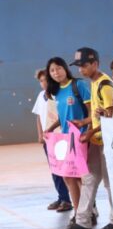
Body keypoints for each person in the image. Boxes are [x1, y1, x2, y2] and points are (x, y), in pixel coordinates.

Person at [68, 47, 113, 229]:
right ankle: (82, 220)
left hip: (107, 142)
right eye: (79, 66)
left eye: (84, 65)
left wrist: (91, 132)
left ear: (95, 64)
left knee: (109, 182)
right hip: (98, 141)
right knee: (89, 178)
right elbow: (100, 115)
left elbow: (112, 117)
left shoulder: (105, 85)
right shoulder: (94, 82)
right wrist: (86, 123)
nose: (81, 70)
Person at [44, 57, 90, 226]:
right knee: (69, 177)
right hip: (65, 138)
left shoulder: (78, 85)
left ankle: (83, 213)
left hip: (80, 137)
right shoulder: (56, 92)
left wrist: (88, 129)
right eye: (52, 70)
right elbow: (63, 116)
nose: (56, 73)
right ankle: (81, 212)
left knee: (77, 177)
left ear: (65, 68)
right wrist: (50, 128)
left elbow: (91, 112)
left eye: (58, 68)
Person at [34, 69, 72, 212]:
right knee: (54, 170)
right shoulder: (40, 96)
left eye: (46, 80)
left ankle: (76, 201)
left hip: (61, 137)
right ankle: (63, 198)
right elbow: (38, 117)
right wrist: (40, 134)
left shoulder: (59, 95)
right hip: (48, 139)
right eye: (41, 81)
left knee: (68, 170)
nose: (44, 83)